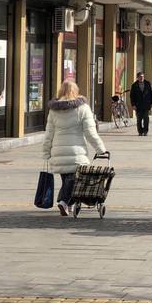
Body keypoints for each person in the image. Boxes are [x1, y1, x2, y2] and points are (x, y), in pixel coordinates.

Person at [42, 81, 107, 216]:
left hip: (58, 151)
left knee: (67, 179)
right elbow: (90, 132)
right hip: (76, 152)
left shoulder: (54, 110)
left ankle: (68, 204)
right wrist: (101, 149)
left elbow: (49, 133)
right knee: (73, 179)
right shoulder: (82, 108)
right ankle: (63, 202)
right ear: (75, 91)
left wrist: (46, 152)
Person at [130, 72, 152, 136]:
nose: (141, 78)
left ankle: (145, 131)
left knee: (146, 118)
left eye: (142, 76)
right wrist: (133, 105)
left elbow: (151, 94)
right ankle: (140, 131)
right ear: (137, 78)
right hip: (138, 105)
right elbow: (132, 96)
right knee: (139, 119)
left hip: (146, 104)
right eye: (140, 77)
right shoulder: (134, 85)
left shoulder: (148, 84)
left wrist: (151, 103)